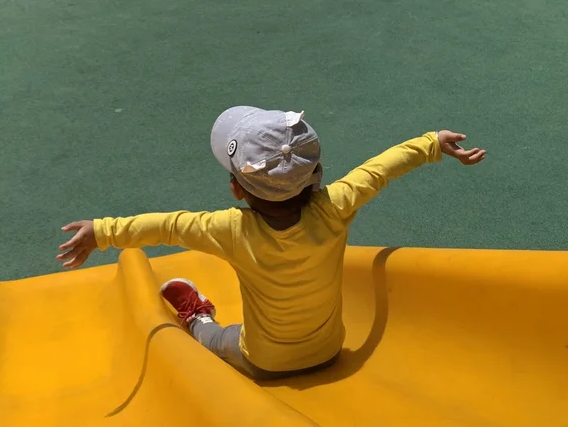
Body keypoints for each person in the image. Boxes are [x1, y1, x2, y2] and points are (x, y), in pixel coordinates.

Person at [57, 106, 485, 380]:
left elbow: (168, 227)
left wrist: (102, 231)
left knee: (217, 340)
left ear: (236, 190)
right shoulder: (335, 207)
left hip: (264, 362)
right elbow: (379, 170)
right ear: (314, 174)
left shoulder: (230, 229)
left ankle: (197, 319)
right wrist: (431, 144)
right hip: (330, 351)